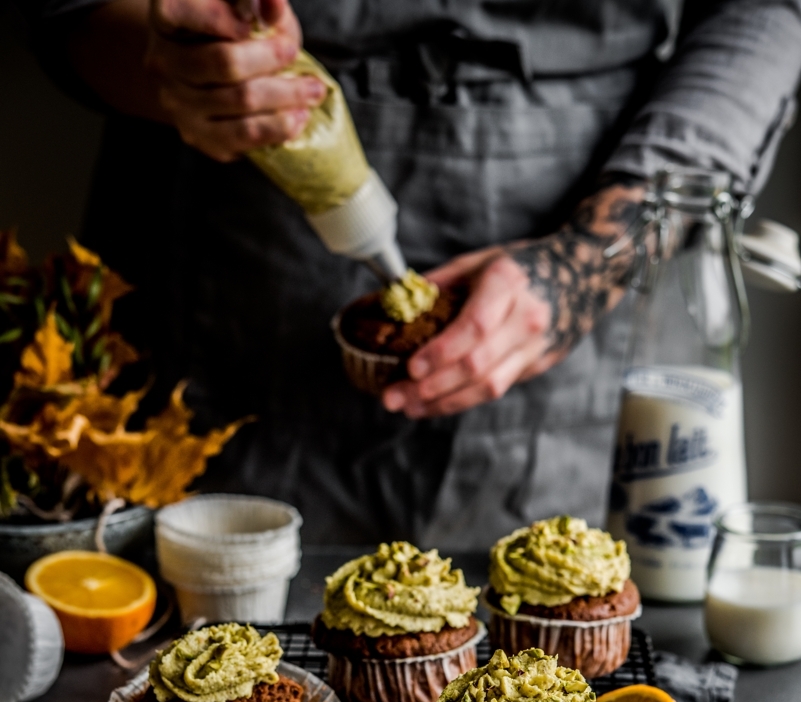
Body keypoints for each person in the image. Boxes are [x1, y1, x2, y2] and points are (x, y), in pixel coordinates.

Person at [26, 0, 801, 546]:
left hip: (579, 224)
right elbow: (71, 12)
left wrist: (585, 263)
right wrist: (181, 67)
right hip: (224, 249)